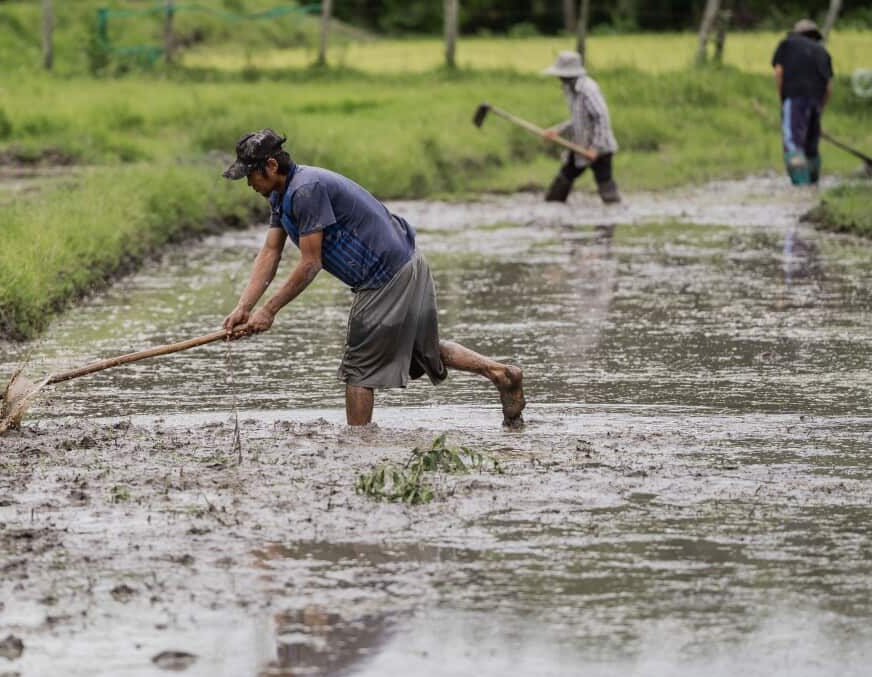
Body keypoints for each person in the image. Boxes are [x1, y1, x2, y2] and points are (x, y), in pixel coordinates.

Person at [219, 129, 526, 428]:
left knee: (358, 369)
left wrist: (269, 310)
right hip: (405, 262)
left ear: (271, 166)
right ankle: (501, 373)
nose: (248, 184)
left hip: (385, 275)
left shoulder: (305, 190)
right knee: (422, 349)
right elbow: (271, 251)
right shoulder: (280, 194)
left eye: (250, 175)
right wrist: (244, 306)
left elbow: (311, 263)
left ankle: (358, 448)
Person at [540, 50, 621, 205]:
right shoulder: (571, 89)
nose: (558, 78)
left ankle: (615, 214)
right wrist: (558, 130)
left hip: (600, 148)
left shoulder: (588, 90)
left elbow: (601, 118)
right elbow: (579, 119)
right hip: (580, 144)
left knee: (605, 183)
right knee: (564, 178)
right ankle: (552, 209)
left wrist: (595, 148)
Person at [771, 19, 834, 185]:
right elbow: (828, 87)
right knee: (811, 147)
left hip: (795, 97)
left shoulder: (787, 45)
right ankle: (813, 185)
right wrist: (819, 110)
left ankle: (801, 189)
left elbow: (779, 73)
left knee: (793, 145)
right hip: (816, 100)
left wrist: (784, 100)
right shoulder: (822, 52)